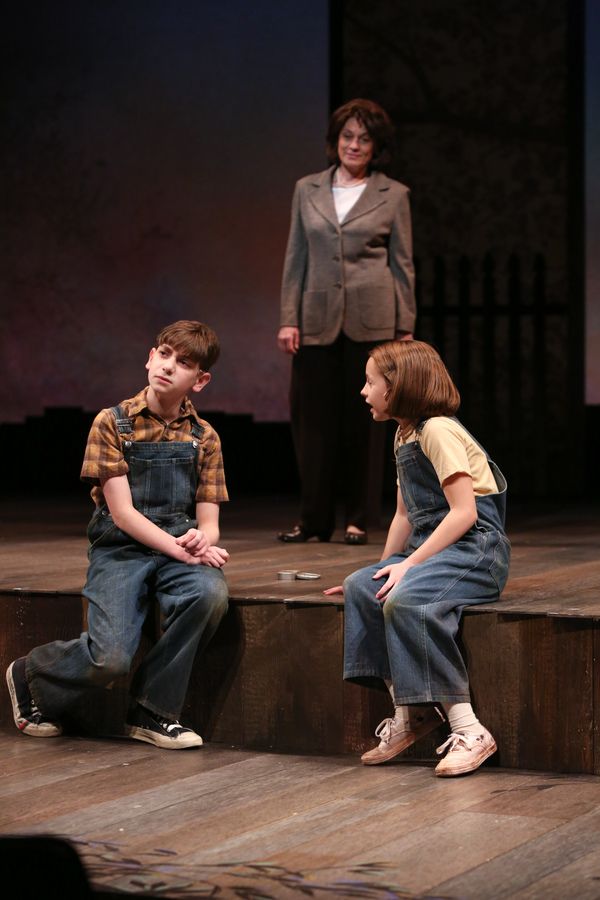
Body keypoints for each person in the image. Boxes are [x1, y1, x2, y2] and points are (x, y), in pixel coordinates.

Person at [6, 320, 229, 750]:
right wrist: (181, 550)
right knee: (110, 658)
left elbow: (209, 516)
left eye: (182, 363)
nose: (168, 366)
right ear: (150, 357)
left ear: (200, 381)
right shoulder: (112, 424)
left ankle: (153, 709)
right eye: (163, 354)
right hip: (122, 550)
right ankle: (32, 676)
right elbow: (123, 515)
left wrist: (204, 540)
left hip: (176, 548)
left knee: (209, 594)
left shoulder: (205, 437)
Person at [325, 340, 511, 776]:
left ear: (399, 386)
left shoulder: (438, 430)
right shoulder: (404, 434)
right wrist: (379, 571)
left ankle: (471, 728)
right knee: (361, 587)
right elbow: (405, 514)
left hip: (475, 548)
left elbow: (465, 514)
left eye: (371, 382)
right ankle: (413, 712)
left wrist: (406, 567)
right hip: (434, 547)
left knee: (407, 599)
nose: (363, 391)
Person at [277, 98, 416, 545]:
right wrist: (288, 318)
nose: (354, 145)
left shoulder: (393, 194)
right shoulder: (307, 189)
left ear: (377, 148)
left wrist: (404, 323)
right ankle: (314, 519)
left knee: (367, 423)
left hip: (373, 320)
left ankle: (359, 517)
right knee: (312, 422)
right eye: (347, 137)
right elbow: (295, 258)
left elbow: (402, 264)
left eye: (364, 139)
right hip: (316, 318)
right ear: (335, 142)